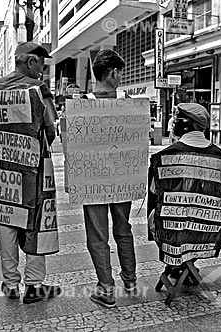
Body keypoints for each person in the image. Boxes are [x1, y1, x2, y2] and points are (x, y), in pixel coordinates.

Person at [0, 41, 60, 304]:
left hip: (1, 169)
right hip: (32, 170)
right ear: (30, 62)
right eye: (40, 64)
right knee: (35, 223)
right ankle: (34, 285)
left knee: (6, 221)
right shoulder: (38, 88)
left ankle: (10, 284)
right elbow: (51, 129)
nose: (42, 70)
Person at [147, 103, 221, 282]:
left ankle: (176, 262)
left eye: (176, 120)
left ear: (184, 124)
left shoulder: (163, 158)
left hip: (170, 232)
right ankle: (188, 263)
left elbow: (154, 198)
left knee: (158, 214)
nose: (173, 124)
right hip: (210, 233)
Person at [81, 49, 137, 308]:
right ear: (113, 72)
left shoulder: (81, 103)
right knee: (123, 229)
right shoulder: (129, 104)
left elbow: (71, 144)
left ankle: (106, 289)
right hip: (123, 177)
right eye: (121, 72)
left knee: (97, 235)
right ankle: (131, 280)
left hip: (91, 179)